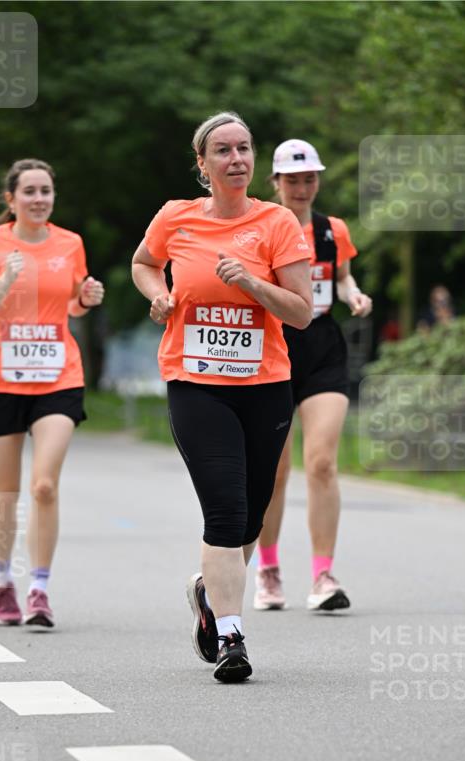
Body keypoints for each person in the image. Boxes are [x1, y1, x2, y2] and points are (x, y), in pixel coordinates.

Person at [132, 112, 313, 683]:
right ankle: (232, 636)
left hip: (265, 386)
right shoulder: (175, 217)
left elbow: (302, 312)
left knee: (252, 515)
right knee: (226, 510)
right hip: (196, 383)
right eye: (223, 151)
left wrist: (253, 284)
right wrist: (158, 294)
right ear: (203, 164)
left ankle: (210, 594)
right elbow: (142, 264)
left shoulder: (277, 222)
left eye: (244, 148)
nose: (237, 159)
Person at [0, 159, 104, 626]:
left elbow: (69, 304)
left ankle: (40, 589)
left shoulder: (70, 243)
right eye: (29, 191)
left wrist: (84, 299)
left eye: (46, 190)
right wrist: (5, 279)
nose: (39, 199)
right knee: (4, 491)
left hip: (57, 375)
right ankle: (4, 581)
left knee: (44, 485)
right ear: (11, 200)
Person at [254, 140, 372, 612]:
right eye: (293, 180)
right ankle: (268, 569)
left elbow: (338, 275)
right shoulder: (261, 227)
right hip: (275, 347)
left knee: (322, 462)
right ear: (276, 183)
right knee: (276, 468)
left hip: (323, 346)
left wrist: (354, 293)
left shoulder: (331, 229)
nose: (302, 188)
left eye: (310, 179)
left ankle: (323, 574)